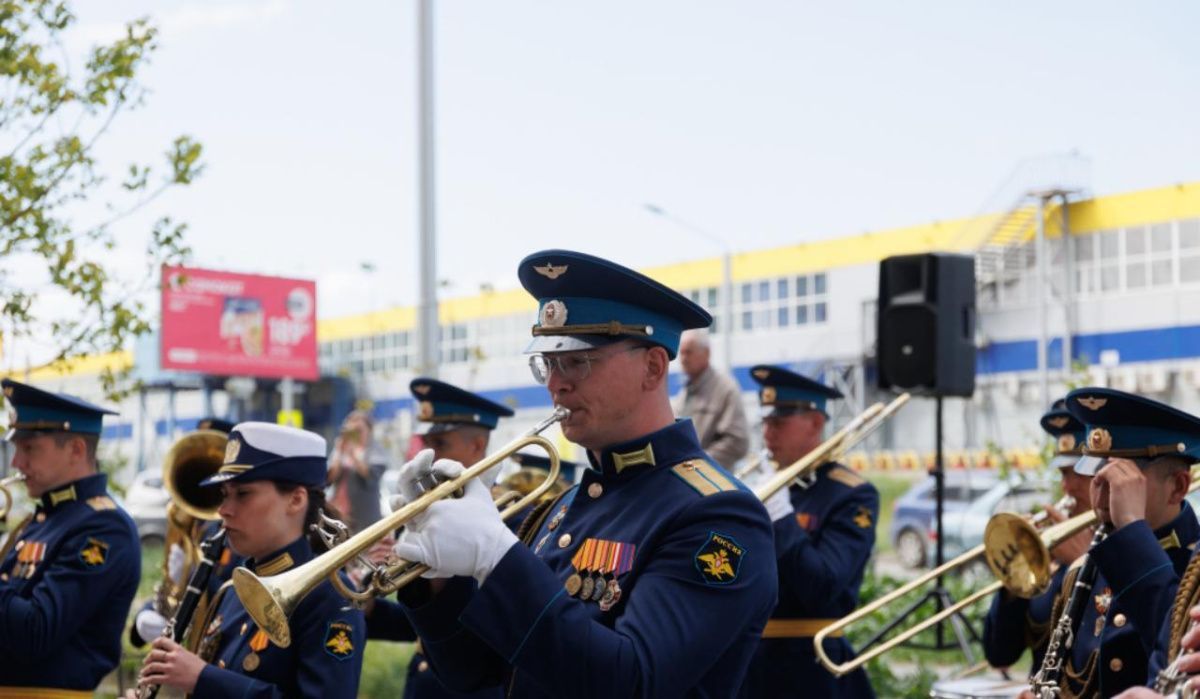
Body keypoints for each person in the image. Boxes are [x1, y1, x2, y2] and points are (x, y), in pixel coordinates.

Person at [390, 249, 778, 697]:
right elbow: (474, 674)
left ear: (652, 367)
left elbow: (630, 681)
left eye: (578, 361)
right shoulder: (563, 507)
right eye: (549, 364)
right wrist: (436, 579)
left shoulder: (718, 516)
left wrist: (496, 556)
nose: (557, 383)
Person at [130, 422, 366, 698]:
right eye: (224, 495)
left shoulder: (328, 597)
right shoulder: (232, 589)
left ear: (296, 500)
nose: (224, 510)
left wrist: (202, 678)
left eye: (243, 494)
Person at [1027, 387, 1200, 698]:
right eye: (1097, 477)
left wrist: (1132, 528)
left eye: (1121, 480)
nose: (1101, 495)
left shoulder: (1193, 569)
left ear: (1178, 487)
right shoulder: (1088, 568)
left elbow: (1174, 648)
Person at [735, 365, 879, 698]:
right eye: (766, 422)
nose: (768, 434)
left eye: (779, 422)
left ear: (815, 422)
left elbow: (823, 586)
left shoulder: (851, 494)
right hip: (749, 665)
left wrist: (782, 519)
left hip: (809, 669)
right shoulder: (764, 484)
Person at [366, 378, 515, 699]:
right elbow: (419, 625)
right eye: (426, 445)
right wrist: (370, 610)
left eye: (440, 445)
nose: (428, 457)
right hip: (425, 682)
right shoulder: (421, 516)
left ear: (477, 446)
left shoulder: (512, 518)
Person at [0, 378, 141, 695]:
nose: (16, 462)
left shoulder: (105, 528)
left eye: (29, 448)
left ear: (76, 449)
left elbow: (35, 633)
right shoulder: (38, 522)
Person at [982, 399, 1095, 674]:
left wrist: (1084, 561)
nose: (1067, 486)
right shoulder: (1053, 555)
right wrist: (1015, 578)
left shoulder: (1132, 547)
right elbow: (1000, 654)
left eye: (1078, 472)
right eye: (1063, 473)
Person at [130, 416, 247, 650]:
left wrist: (192, 575)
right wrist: (148, 615)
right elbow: (172, 591)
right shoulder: (191, 526)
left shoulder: (233, 532)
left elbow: (226, 597)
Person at [673, 328, 750, 469]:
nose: (683, 359)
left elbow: (738, 442)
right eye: (681, 353)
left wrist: (700, 463)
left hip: (714, 482)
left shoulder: (725, 388)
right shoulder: (683, 392)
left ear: (706, 354)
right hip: (686, 477)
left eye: (688, 352)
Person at [327, 408, 388, 531]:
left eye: (359, 430)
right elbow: (329, 478)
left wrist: (353, 455)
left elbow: (371, 476)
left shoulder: (374, 450)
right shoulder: (340, 449)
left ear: (369, 430)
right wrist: (339, 451)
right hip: (341, 514)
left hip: (365, 517)